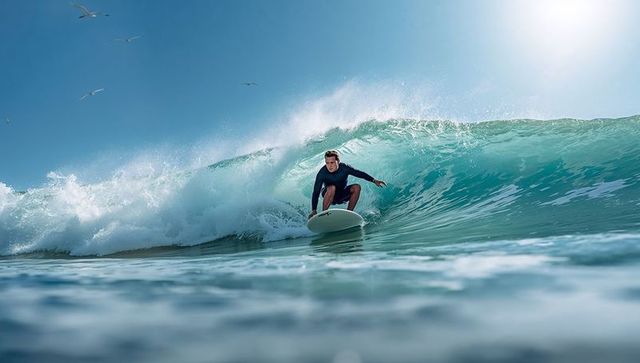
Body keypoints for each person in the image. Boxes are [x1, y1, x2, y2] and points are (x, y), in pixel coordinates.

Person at [309, 150, 386, 219]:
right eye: (327, 163)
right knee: (332, 187)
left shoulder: (344, 168)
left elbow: (359, 173)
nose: (329, 166)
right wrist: (314, 210)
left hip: (342, 195)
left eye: (332, 162)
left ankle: (349, 214)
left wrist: (374, 180)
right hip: (329, 195)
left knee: (357, 187)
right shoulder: (322, 173)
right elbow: (316, 192)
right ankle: (324, 214)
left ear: (338, 161)